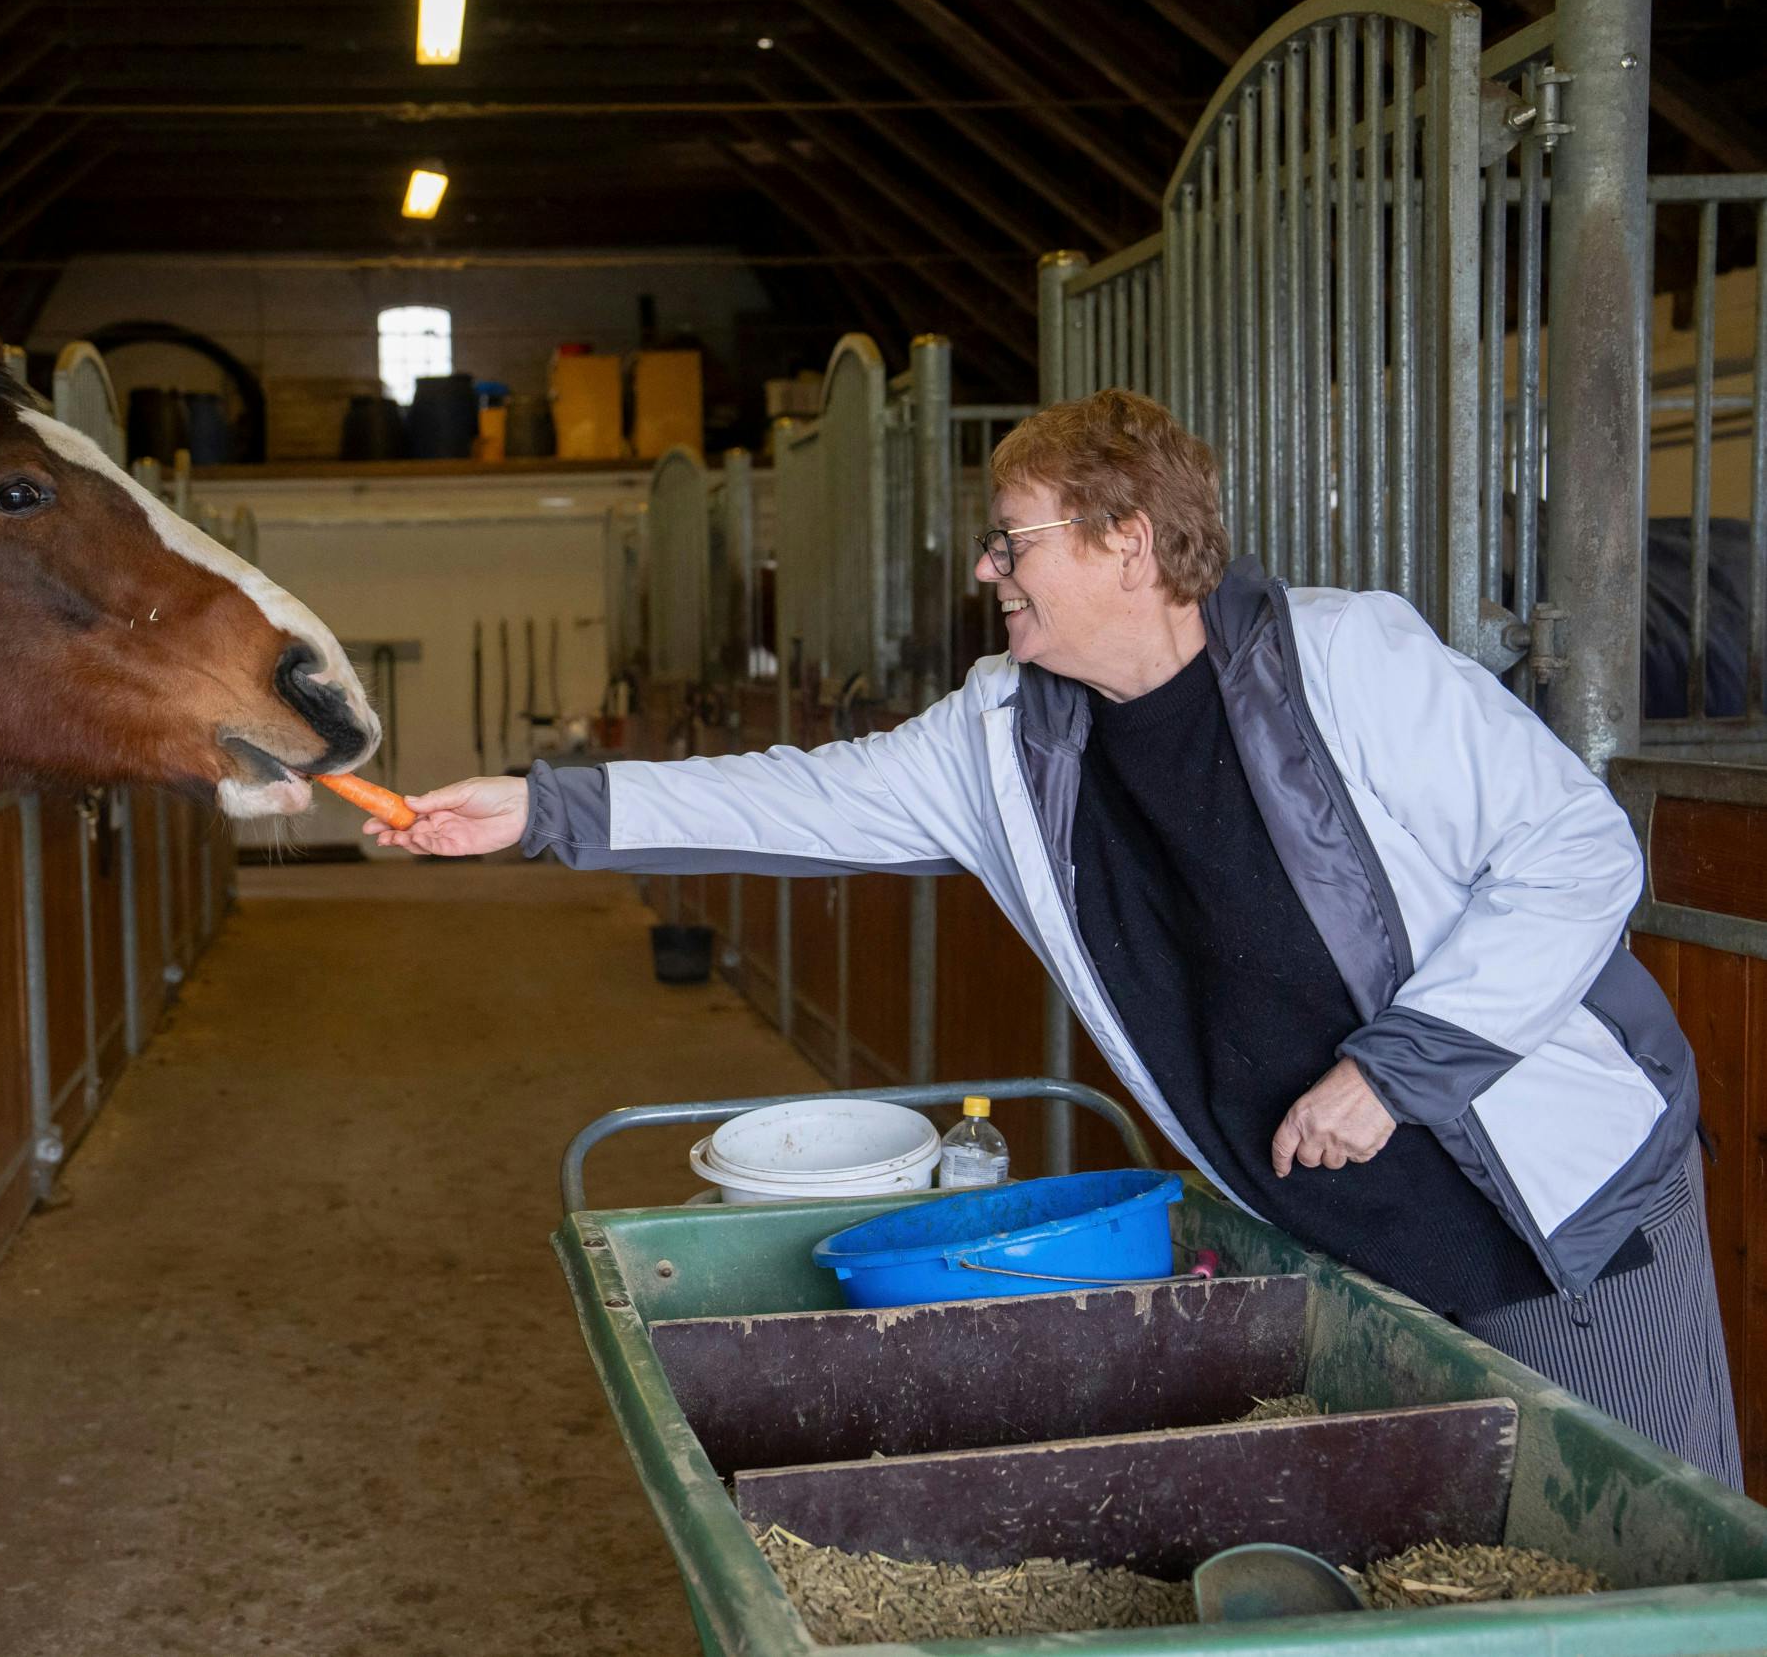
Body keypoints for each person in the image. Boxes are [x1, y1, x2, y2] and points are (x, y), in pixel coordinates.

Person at [368, 388, 1739, 1485]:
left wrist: (1400, 1069)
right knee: (1475, 1571)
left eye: (1011, 537)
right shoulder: (1004, 739)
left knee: (1663, 1548)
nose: (985, 569)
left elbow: (1576, 847)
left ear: (1127, 541)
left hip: (1564, 1214)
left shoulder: (1350, 664)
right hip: (1345, 1245)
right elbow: (798, 793)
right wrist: (544, 807)